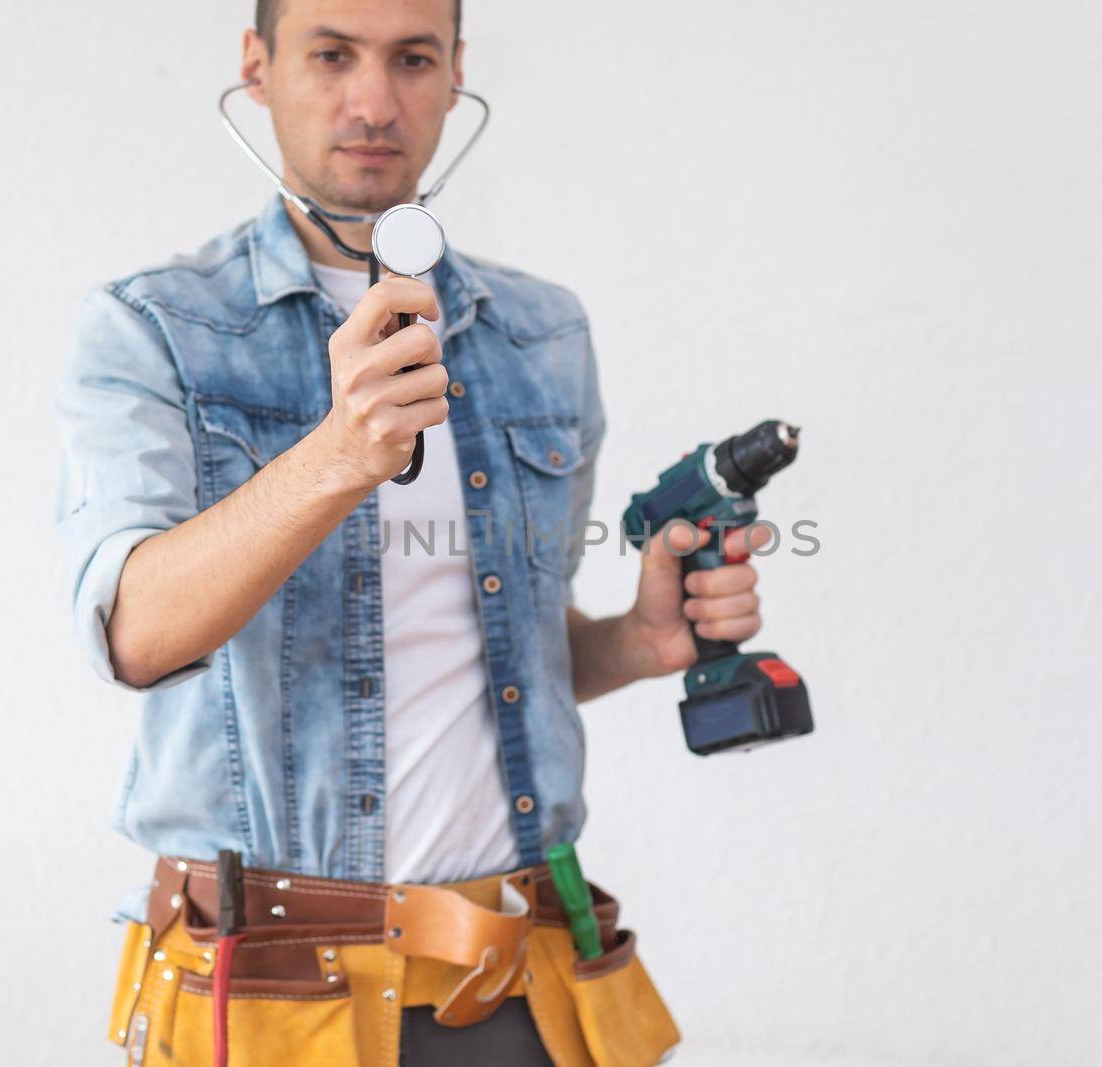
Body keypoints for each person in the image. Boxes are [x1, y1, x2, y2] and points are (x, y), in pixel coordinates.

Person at [54, 0, 766, 1062]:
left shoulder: (542, 333)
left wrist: (636, 643)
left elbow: (497, 648)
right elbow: (133, 633)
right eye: (332, 55)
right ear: (258, 66)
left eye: (411, 58)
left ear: (454, 73)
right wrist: (338, 456)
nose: (374, 101)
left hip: (522, 975)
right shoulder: (154, 327)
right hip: (272, 991)